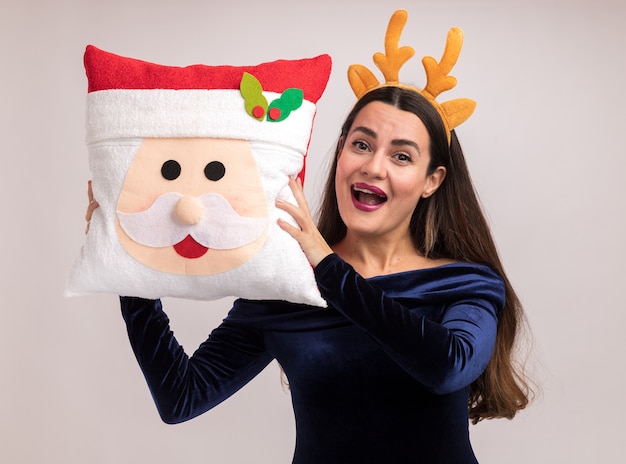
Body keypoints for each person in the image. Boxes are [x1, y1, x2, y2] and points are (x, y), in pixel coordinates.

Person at [85, 12, 531, 463]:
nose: (373, 166)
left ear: (431, 180)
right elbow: (182, 398)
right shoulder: (284, 288)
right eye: (361, 144)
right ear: (340, 153)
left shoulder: (468, 286)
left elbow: (446, 367)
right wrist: (130, 265)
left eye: (401, 155)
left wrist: (329, 269)